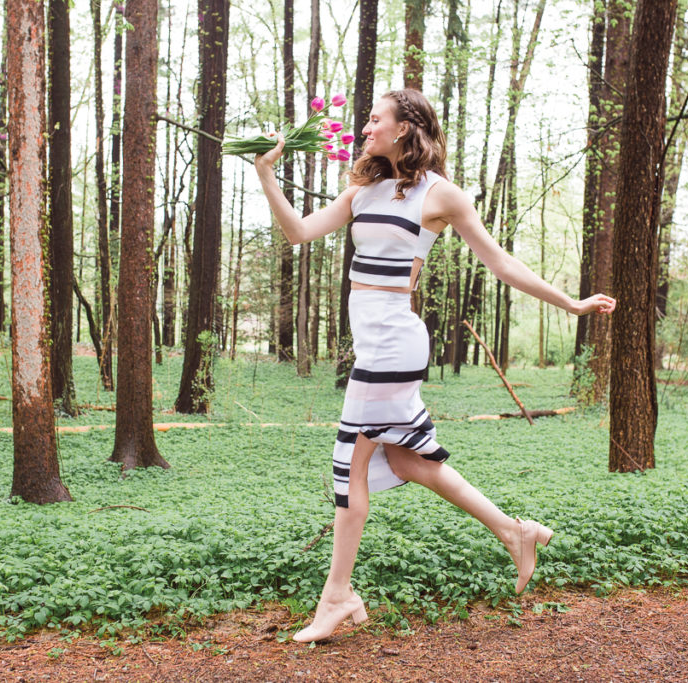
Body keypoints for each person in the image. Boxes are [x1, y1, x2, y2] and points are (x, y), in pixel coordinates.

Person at [254, 88, 615, 643]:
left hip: (393, 343)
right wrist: (265, 173)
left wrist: (570, 303)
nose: (365, 127)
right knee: (407, 460)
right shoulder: (364, 189)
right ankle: (514, 532)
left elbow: (500, 262)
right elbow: (299, 231)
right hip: (374, 345)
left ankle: (337, 596)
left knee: (349, 464)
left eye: (375, 119)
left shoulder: (440, 194)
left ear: (404, 128)